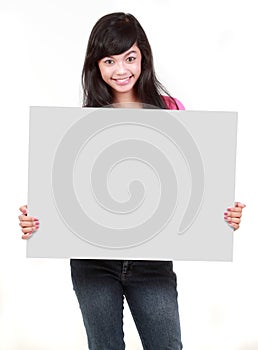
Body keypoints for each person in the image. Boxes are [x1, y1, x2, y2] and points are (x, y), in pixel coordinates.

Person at [18, 12, 246, 350]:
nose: (121, 70)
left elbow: (192, 188)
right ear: (96, 65)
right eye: (109, 60)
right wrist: (36, 221)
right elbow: (66, 200)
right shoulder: (82, 123)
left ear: (143, 58)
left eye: (130, 57)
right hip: (93, 262)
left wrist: (222, 215)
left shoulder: (171, 112)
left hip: (152, 261)